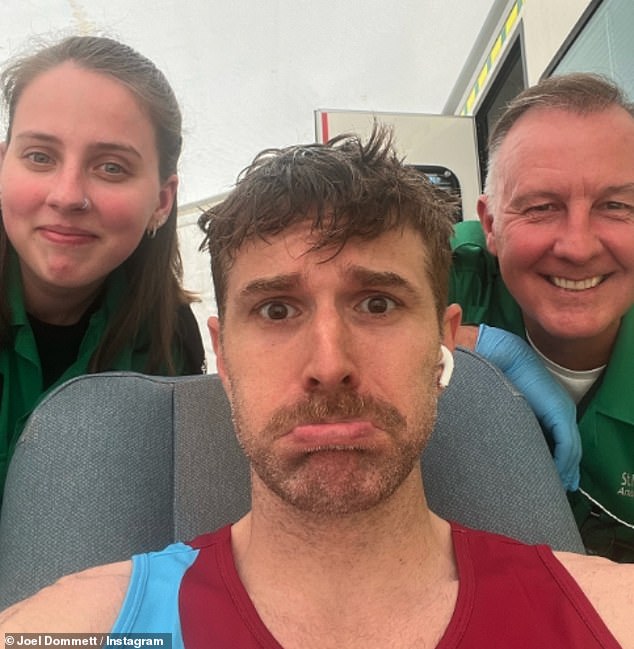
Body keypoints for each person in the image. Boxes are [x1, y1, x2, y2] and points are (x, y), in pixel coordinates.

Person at [1, 128, 632, 647]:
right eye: (277, 310)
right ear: (223, 356)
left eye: (378, 303)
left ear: (443, 345)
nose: (330, 365)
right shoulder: (73, 630)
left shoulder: (610, 614)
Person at [0, 35, 205, 496]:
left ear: (162, 200)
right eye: (40, 157)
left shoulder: (170, 340)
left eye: (111, 167)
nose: (67, 195)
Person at [449, 72, 634, 562]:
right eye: (541, 207)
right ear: (490, 225)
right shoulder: (445, 275)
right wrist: (460, 342)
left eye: (616, 206)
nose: (578, 246)